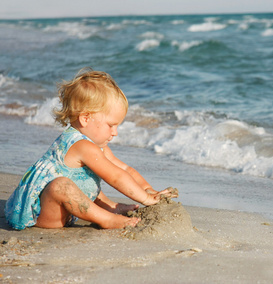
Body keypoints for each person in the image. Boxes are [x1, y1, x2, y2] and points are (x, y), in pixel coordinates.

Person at [5, 68, 176, 230]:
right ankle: (106, 219)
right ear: (85, 118)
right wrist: (145, 199)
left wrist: (147, 190)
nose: (115, 133)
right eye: (111, 125)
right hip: (43, 214)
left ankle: (111, 208)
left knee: (88, 180)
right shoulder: (81, 145)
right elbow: (115, 177)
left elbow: (124, 169)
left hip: (70, 209)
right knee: (61, 185)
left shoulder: (98, 147)